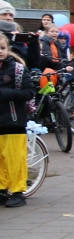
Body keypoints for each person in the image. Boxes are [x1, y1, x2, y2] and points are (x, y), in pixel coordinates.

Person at [0, 32, 36, 208]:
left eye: (3, 48)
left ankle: (17, 191)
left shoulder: (17, 69)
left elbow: (29, 92)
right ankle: (1, 188)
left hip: (13, 121)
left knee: (14, 158)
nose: (0, 51)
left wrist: (5, 94)